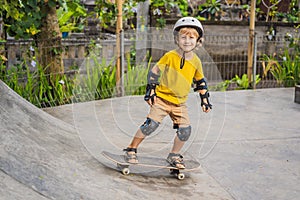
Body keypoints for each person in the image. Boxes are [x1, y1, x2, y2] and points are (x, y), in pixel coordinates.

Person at [123, 17, 212, 169]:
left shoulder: (196, 61)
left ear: (198, 41)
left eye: (191, 38)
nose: (187, 41)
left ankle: (174, 155)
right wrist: (151, 91)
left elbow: (200, 81)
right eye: (183, 37)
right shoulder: (170, 56)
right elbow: (154, 72)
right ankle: (131, 148)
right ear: (177, 39)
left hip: (180, 104)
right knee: (150, 125)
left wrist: (205, 99)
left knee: (185, 131)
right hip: (162, 100)